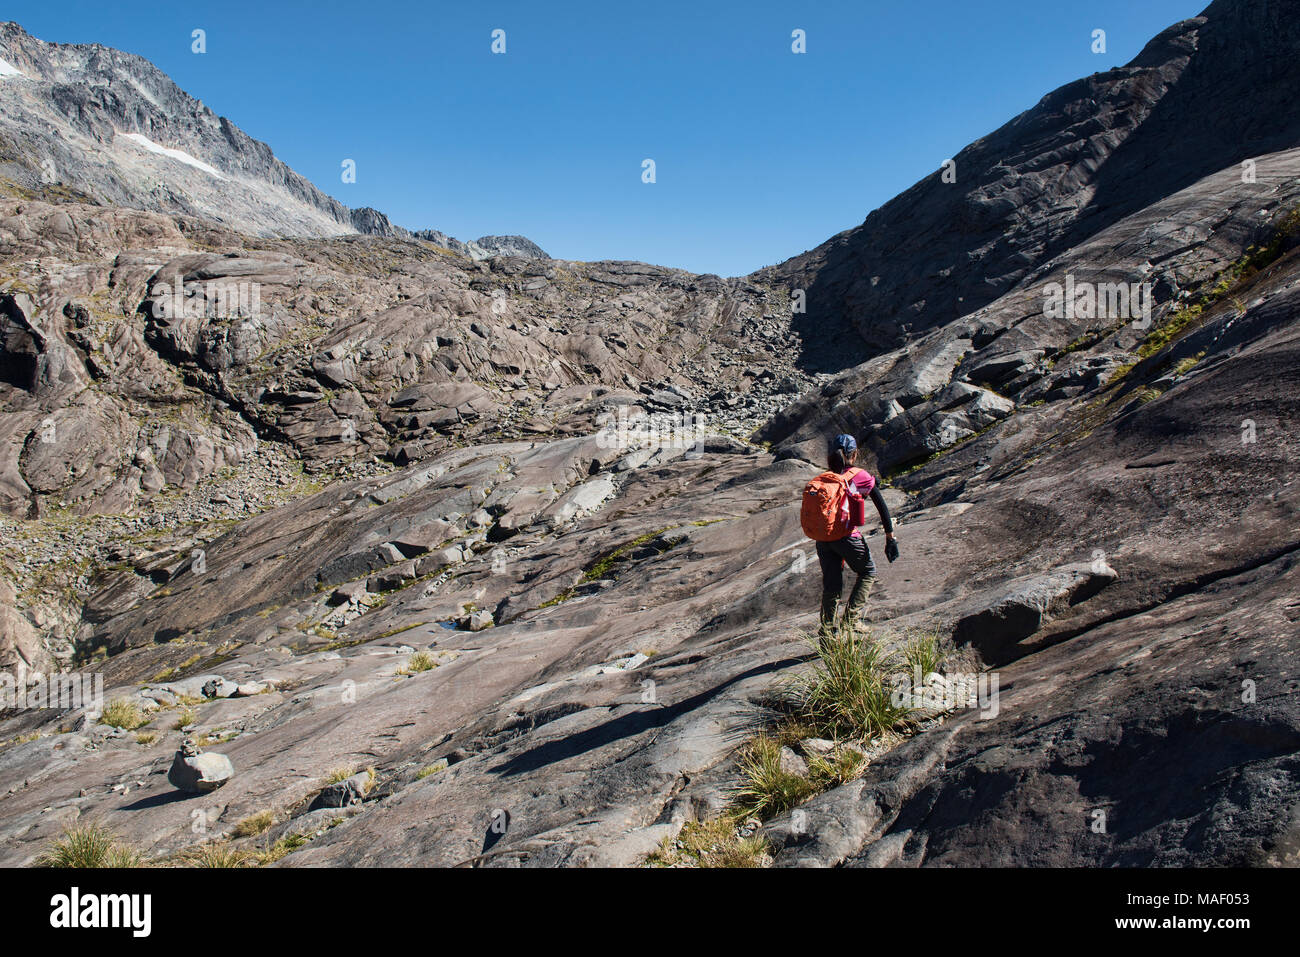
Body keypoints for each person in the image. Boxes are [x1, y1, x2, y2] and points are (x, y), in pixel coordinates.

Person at [814, 433, 898, 637]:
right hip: (847, 536)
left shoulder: (824, 478)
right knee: (868, 571)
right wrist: (890, 537)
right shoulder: (859, 475)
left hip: (823, 539)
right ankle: (851, 621)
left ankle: (827, 630)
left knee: (832, 584)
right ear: (854, 454)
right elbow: (880, 504)